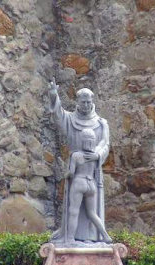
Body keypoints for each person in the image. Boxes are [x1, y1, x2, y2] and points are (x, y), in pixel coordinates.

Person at [48, 78, 110, 243]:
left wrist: (97, 154)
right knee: (74, 209)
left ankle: (94, 238)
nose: (86, 105)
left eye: (89, 102)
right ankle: (70, 236)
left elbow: (105, 144)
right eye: (83, 102)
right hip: (78, 176)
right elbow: (58, 115)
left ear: (92, 102)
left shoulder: (101, 123)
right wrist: (54, 97)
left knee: (91, 210)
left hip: (93, 172)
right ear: (77, 102)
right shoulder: (71, 119)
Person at [66, 129, 112, 243]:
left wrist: (65, 174)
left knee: (74, 211)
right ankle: (106, 236)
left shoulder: (76, 155)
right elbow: (103, 146)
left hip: (79, 182)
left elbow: (71, 173)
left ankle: (71, 238)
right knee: (92, 213)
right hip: (91, 185)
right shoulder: (95, 157)